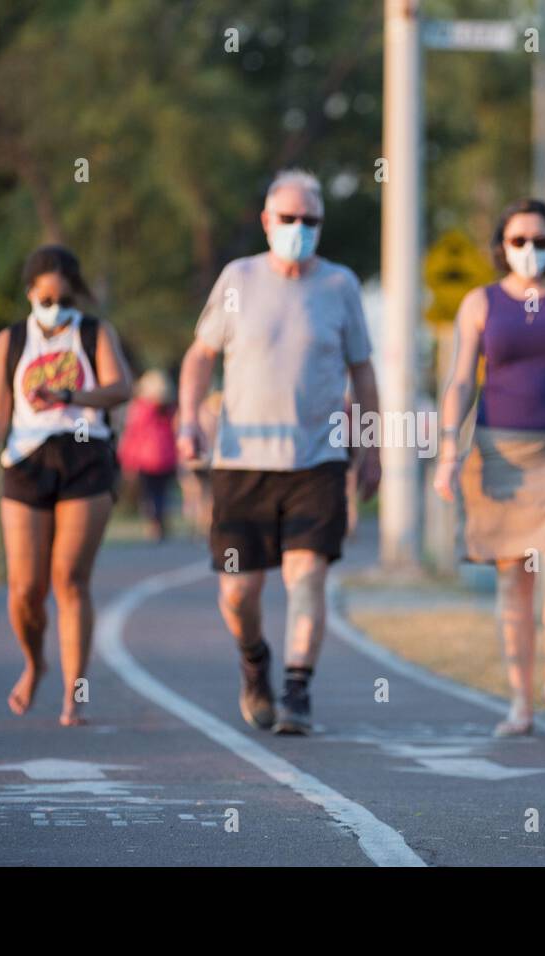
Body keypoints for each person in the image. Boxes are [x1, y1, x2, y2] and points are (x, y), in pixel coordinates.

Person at [177, 168, 381, 735]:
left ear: (321, 224)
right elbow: (200, 355)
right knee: (239, 590)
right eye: (287, 218)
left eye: (309, 220)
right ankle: (254, 661)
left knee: (307, 577)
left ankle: (296, 692)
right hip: (243, 464)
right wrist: (188, 417)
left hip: (316, 462)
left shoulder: (340, 286)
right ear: (267, 221)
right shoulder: (238, 278)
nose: (298, 228)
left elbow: (363, 372)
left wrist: (371, 448)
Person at [433, 198, 545, 737]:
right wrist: (448, 452)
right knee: (515, 580)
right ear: (501, 247)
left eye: (540, 240)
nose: (530, 250)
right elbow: (462, 380)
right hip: (500, 454)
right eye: (518, 241)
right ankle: (520, 701)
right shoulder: (480, 302)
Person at [0, 245, 132, 726]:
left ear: (75, 294)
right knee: (25, 589)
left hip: (85, 457)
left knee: (70, 580)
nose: (54, 305)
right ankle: (35, 664)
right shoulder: (11, 341)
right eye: (46, 296)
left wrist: (71, 395)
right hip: (26, 462)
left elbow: (122, 388)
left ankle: (74, 696)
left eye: (63, 297)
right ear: (30, 292)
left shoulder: (94, 332)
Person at [118, 369, 178, 542]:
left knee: (149, 494)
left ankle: (154, 524)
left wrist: (127, 459)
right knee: (161, 492)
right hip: (166, 459)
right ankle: (159, 520)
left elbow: (132, 435)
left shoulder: (141, 409)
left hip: (147, 460)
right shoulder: (169, 410)